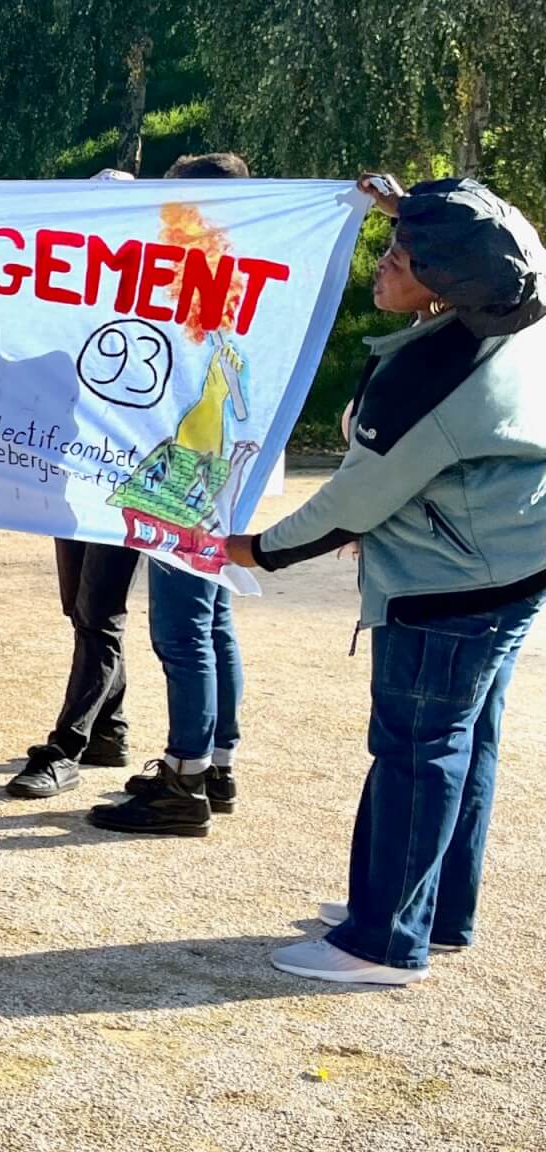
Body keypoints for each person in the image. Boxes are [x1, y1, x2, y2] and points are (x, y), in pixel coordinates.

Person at [226, 175, 546, 985]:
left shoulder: (427, 378)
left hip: (451, 588)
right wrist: (406, 207)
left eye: (402, 257)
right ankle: (434, 912)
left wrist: (255, 548)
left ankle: (383, 942)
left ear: (443, 288)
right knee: (464, 744)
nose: (383, 262)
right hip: (510, 560)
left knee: (417, 750)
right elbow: (502, 238)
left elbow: (348, 504)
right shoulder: (518, 301)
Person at [85, 152, 255, 836]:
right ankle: (215, 763)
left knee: (181, 626)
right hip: (211, 465)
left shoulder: (202, 287)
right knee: (212, 620)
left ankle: (184, 781)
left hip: (190, 468)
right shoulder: (241, 282)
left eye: (176, 206)